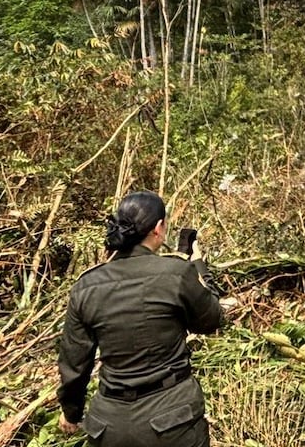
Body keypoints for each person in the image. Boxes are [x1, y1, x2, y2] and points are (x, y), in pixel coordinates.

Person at [57, 191, 223, 446]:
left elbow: (74, 362)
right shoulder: (177, 274)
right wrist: (198, 266)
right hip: (173, 420)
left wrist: (71, 412)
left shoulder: (86, 286)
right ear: (158, 228)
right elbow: (211, 320)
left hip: (109, 426)